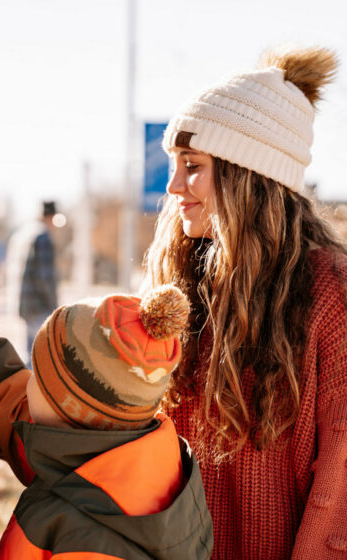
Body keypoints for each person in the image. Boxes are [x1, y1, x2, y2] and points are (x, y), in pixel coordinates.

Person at [138, 46, 347, 558]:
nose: (173, 186)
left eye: (193, 166)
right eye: (175, 164)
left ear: (246, 174)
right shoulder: (177, 288)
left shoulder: (332, 295)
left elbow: (340, 488)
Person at [0, 255, 213, 559]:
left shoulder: (90, 543)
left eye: (38, 376)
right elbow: (5, 386)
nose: (27, 381)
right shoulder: (109, 453)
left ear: (67, 410)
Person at [6, 201, 59, 364]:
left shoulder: (22, 234)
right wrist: (55, 307)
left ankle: (25, 387)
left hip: (22, 302)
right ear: (51, 217)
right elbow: (45, 276)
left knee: (28, 352)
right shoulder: (43, 237)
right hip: (39, 304)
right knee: (40, 357)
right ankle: (31, 389)